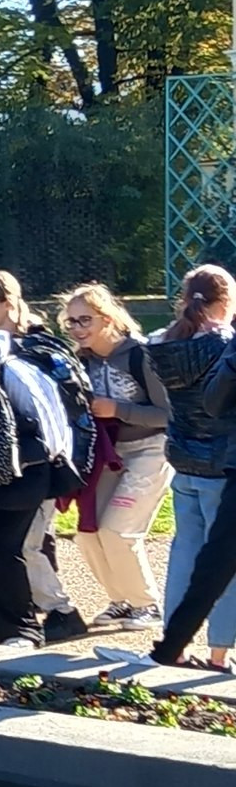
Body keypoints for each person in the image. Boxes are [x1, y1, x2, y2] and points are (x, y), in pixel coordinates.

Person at [127, 266, 236, 669]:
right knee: (224, 565)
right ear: (226, 302)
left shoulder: (163, 343)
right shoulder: (225, 344)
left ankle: (176, 644)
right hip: (222, 463)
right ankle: (219, 653)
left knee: (186, 552)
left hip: (183, 457)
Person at [0, 268, 83, 640]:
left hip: (42, 464)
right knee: (31, 541)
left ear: (8, 304)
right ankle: (36, 606)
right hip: (22, 466)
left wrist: (51, 462)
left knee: (26, 543)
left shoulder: (31, 349)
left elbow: (50, 413)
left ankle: (59, 610)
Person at [61, 283, 169, 628]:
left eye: (84, 320)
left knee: (118, 531)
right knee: (88, 532)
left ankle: (147, 605)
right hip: (108, 453)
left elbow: (170, 415)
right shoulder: (81, 361)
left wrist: (118, 409)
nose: (77, 329)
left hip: (151, 449)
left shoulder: (141, 355)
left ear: (107, 318)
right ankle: (121, 601)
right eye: (71, 322)